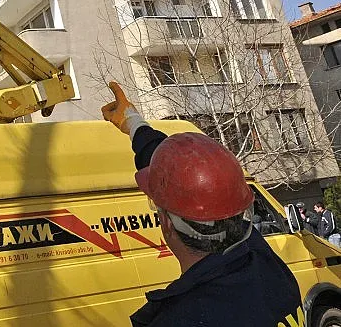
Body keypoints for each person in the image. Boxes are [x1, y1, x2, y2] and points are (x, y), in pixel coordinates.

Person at [101, 82, 303, 326]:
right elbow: (189, 173)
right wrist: (134, 124)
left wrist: (133, 121)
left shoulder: (182, 318)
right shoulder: (265, 268)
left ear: (165, 223)